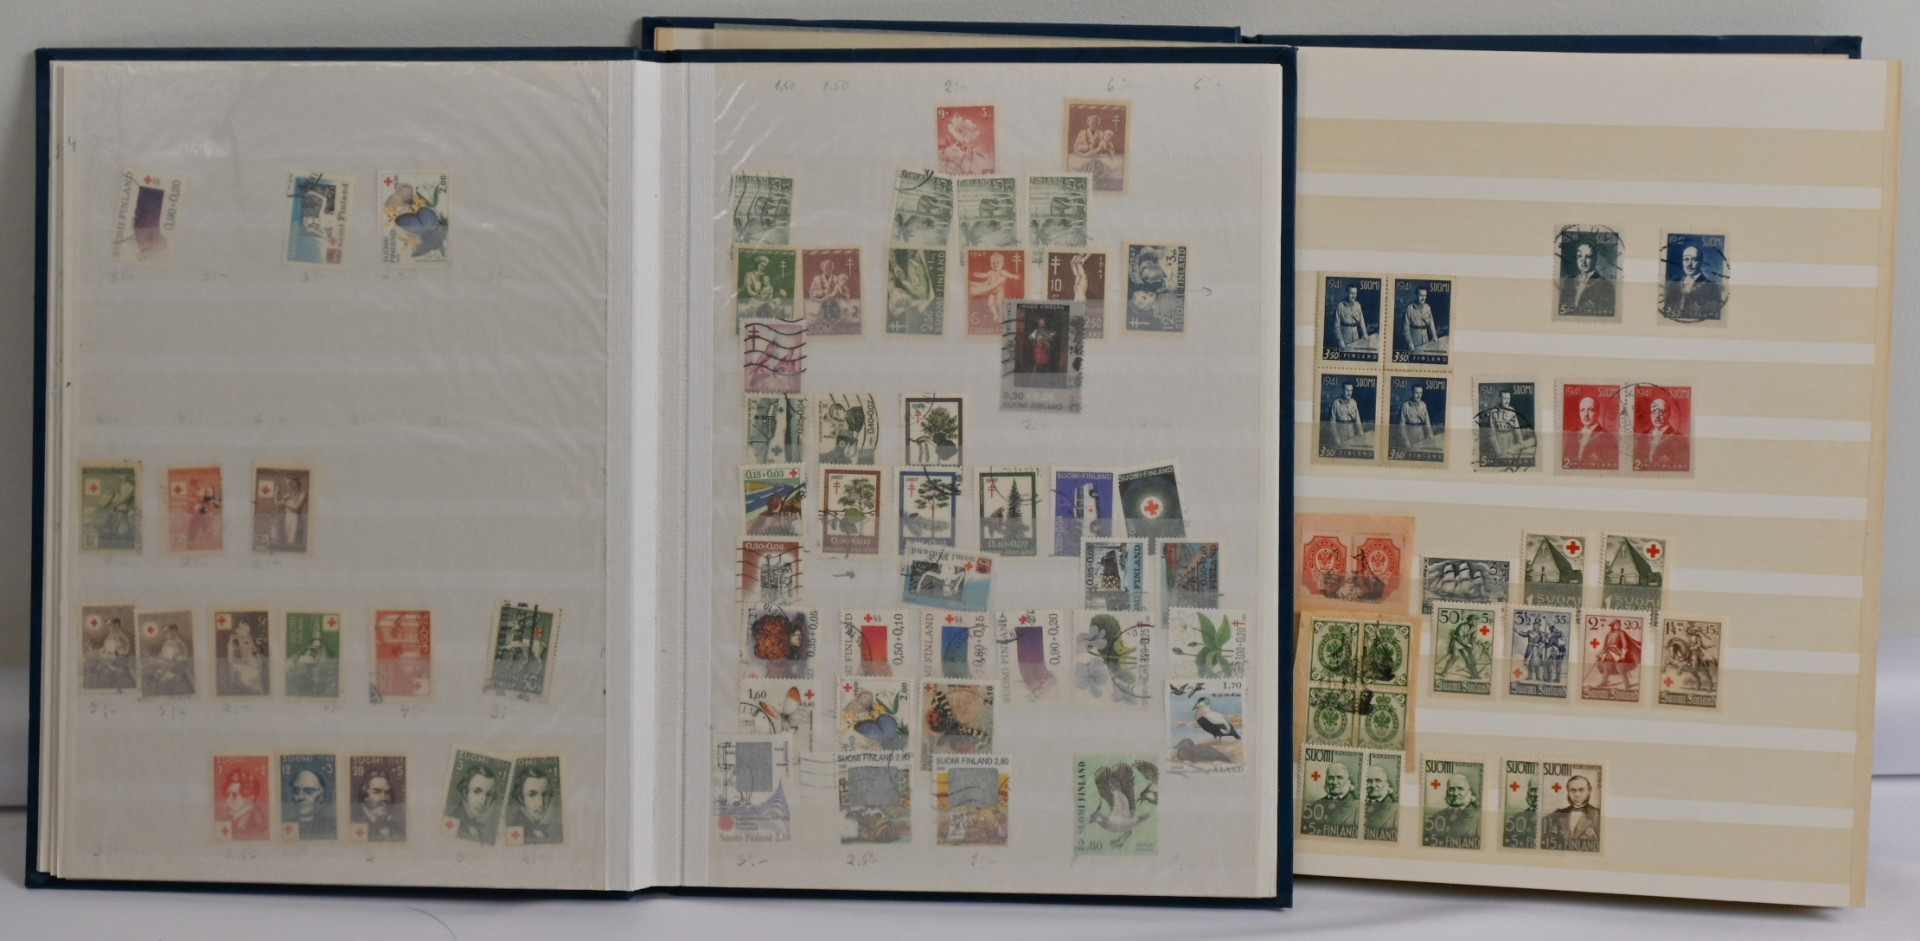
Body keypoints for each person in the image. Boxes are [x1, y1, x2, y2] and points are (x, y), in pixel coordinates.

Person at [1663, 243, 1723, 320]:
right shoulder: (1674, 283)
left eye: (1694, 259)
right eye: (1686, 259)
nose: (1689, 264)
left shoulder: (1711, 287)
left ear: (1701, 262)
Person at [506, 765, 562, 844]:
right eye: (532, 795)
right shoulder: (515, 831)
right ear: (520, 798)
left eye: (544, 794)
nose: (541, 803)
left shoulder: (542, 833)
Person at [1542, 774, 1601, 848]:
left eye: (1581, 790)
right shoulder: (1559, 813)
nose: (1577, 795)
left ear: (1589, 791)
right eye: (1573, 790)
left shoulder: (1598, 814)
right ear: (1568, 792)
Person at [1560, 240, 1615, 316]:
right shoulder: (1569, 281)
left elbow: (1605, 314)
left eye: (1588, 256)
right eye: (1579, 256)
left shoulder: (1605, 284)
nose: (1583, 260)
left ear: (1595, 259)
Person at [451, 762, 501, 844]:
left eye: (488, 794)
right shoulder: (453, 821)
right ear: (464, 792)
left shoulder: (475, 824)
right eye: (476, 791)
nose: (483, 802)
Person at [968, 252, 1020, 329]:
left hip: (999, 291)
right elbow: (985, 275)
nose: (995, 265)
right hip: (992, 292)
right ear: (990, 264)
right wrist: (979, 275)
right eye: (993, 263)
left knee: (999, 303)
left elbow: (1009, 275)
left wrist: (1015, 276)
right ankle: (995, 314)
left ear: (1002, 264)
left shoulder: (1002, 271)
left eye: (997, 263)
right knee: (990, 304)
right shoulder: (991, 272)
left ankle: (1001, 316)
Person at [1565, 395, 1618, 468]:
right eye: (1582, 410)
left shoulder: (1608, 437)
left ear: (1598, 412)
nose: (1586, 414)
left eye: (1591, 410)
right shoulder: (1572, 434)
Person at [352, 770, 405, 842]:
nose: (384, 798)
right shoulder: (353, 822)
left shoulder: (399, 827)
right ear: (365, 796)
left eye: (387, 793)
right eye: (376, 792)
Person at [1481, 388, 1531, 462]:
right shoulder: (1494, 411)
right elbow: (1491, 433)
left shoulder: (1512, 410)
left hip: (1511, 443)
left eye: (1508, 398)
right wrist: (1498, 451)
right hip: (1498, 444)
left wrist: (1520, 441)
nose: (1507, 401)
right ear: (1500, 399)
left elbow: (1517, 429)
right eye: (1505, 399)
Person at [1637, 396, 1688, 469]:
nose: (1657, 416)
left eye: (1661, 412)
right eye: (1654, 412)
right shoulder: (1643, 436)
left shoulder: (1680, 439)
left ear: (1669, 414)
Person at [1307, 760, 1360, 830]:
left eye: (1339, 777)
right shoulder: (1314, 805)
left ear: (1348, 781)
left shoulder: (1357, 807)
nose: (1334, 782)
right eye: (1331, 778)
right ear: (1326, 780)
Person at [1428, 773, 1480, 841]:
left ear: (1469, 792)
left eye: (1460, 789)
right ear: (1447, 792)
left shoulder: (1478, 816)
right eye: (1451, 789)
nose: (1455, 793)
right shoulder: (1437, 816)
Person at [287, 767, 335, 839]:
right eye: (296, 791)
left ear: (321, 796)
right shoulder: (286, 825)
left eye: (309, 791)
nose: (300, 797)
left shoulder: (332, 827)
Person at [222, 767, 269, 840]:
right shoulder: (228, 817)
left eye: (234, 795)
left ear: (249, 797)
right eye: (227, 795)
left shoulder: (257, 823)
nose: (228, 800)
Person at [223, 625, 267, 695]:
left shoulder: (247, 640)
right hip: (245, 674)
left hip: (250, 674)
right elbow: (234, 663)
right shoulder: (234, 639)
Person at [808, 257, 849, 323]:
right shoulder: (816, 279)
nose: (828, 270)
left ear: (832, 268)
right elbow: (811, 293)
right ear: (822, 268)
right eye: (826, 268)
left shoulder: (837, 278)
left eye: (830, 268)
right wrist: (823, 292)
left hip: (835, 305)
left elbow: (845, 292)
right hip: (820, 304)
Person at [1397, 383, 1436, 453]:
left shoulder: (1423, 405)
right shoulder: (1405, 406)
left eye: (1420, 393)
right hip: (1410, 437)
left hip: (1421, 436)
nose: (1419, 395)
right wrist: (1406, 441)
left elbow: (1427, 421)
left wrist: (1430, 434)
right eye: (1416, 393)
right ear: (1412, 393)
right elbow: (1401, 426)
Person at [1363, 762, 1398, 836]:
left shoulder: (1395, 809)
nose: (1373, 785)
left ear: (1386, 783)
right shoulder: (1358, 805)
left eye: (1378, 781)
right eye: (1369, 781)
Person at [1401, 287, 1439, 353]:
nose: (1423, 298)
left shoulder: (1427, 308)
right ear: (1416, 295)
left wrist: (1434, 336)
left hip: (1426, 341)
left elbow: (1431, 324)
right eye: (1421, 295)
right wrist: (1410, 342)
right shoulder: (1410, 308)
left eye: (1425, 295)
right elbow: (1405, 328)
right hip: (1415, 342)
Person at [1332, 284, 1370, 350]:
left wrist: (1364, 333)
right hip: (1345, 338)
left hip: (1356, 337)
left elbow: (1362, 321)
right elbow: (1336, 326)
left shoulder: (1358, 305)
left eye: (1355, 293)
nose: (1353, 296)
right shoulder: (1340, 306)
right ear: (1346, 293)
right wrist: (1340, 340)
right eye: (1351, 293)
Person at [1327, 383, 1365, 449]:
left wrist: (1360, 432)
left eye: (1351, 390)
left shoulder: (1353, 402)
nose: (1349, 393)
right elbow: (1332, 423)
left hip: (1352, 434)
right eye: (1347, 390)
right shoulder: (1336, 403)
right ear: (1342, 390)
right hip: (1341, 435)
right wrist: (1336, 439)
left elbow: (1357, 419)